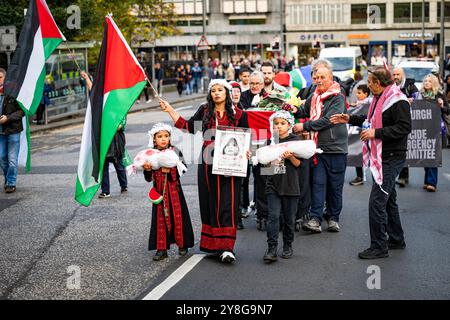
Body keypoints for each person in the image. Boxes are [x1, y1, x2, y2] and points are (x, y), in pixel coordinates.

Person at [159, 79, 250, 263]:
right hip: (208, 163)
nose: (217, 93)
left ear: (227, 92)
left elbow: (246, 137)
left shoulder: (239, 114)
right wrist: (169, 110)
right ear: (210, 94)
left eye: (220, 90)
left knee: (228, 203)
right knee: (210, 202)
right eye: (214, 90)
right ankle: (213, 246)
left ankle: (227, 248)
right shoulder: (205, 112)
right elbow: (188, 127)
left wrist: (248, 152)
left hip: (231, 163)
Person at [330, 66, 412, 259]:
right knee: (389, 199)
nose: (367, 85)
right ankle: (396, 239)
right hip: (382, 156)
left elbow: (404, 127)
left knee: (377, 202)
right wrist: (349, 118)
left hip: (392, 157)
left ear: (378, 83)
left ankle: (379, 246)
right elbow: (370, 121)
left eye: (370, 82)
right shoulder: (379, 97)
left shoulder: (397, 100)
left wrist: (377, 133)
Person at [293, 65, 348, 233]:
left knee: (335, 186)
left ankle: (333, 218)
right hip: (317, 148)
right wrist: (293, 108)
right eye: (316, 78)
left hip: (336, 148)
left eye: (323, 77)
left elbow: (328, 120)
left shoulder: (337, 97)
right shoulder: (314, 95)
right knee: (318, 183)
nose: (319, 81)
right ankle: (315, 219)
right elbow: (304, 109)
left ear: (331, 78)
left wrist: (304, 126)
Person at [143, 123, 194, 261]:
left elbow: (183, 169)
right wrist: (147, 170)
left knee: (178, 217)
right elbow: (148, 178)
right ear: (154, 139)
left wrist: (170, 169)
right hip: (159, 192)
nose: (163, 139)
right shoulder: (150, 153)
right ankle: (161, 249)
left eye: (166, 136)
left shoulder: (175, 151)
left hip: (174, 191)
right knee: (160, 220)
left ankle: (182, 245)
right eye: (160, 136)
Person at [263, 111, 302, 263]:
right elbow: (265, 167)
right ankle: (271, 249)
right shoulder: (270, 141)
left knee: (289, 219)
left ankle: (287, 245)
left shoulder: (296, 141)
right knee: (273, 217)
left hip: (291, 186)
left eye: (282, 123)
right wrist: (266, 160)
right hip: (273, 185)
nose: (279, 126)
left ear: (289, 125)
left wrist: (290, 156)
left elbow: (299, 164)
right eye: (276, 123)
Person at [416, 74, 450, 192]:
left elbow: (447, 110)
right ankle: (427, 180)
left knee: (433, 155)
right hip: (422, 129)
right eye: (425, 81)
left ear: (434, 83)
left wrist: (441, 105)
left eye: (429, 81)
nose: (426, 83)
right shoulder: (419, 95)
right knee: (426, 154)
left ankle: (432, 182)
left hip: (435, 129)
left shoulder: (439, 95)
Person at [392, 67, 419, 187]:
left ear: (403, 75)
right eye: (394, 74)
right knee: (397, 149)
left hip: (408, 120)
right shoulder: (391, 86)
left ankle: (403, 176)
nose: (395, 76)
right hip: (394, 121)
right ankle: (396, 175)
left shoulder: (410, 85)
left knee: (404, 149)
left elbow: (419, 99)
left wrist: (411, 100)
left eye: (398, 74)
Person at [1, 68, 25, 194]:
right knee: (1, 158)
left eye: (0, 77)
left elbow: (22, 111)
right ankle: (7, 179)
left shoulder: (14, 91)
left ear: (5, 78)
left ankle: (11, 182)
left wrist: (7, 118)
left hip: (13, 130)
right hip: (0, 132)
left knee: (11, 159)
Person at [349, 84, 372, 186]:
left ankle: (377, 177)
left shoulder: (370, 102)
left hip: (369, 134)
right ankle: (359, 176)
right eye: (356, 93)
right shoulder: (357, 104)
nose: (357, 95)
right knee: (358, 154)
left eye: (359, 93)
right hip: (358, 135)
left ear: (366, 94)